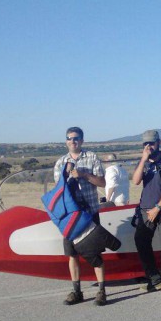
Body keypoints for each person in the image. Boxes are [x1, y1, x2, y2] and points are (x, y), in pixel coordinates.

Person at [53, 127, 107, 306]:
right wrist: (66, 176)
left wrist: (83, 175)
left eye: (76, 138)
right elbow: (58, 190)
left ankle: (101, 291)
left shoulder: (92, 157)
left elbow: (102, 182)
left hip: (90, 212)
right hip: (70, 217)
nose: (72, 141)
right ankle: (76, 291)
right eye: (69, 138)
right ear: (66, 141)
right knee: (72, 255)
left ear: (82, 140)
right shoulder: (61, 162)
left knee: (94, 252)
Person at [132, 129, 161, 297]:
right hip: (145, 210)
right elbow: (136, 181)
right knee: (141, 241)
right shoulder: (144, 162)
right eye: (145, 144)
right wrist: (143, 159)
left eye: (151, 143)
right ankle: (154, 278)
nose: (148, 146)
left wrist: (157, 208)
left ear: (159, 143)